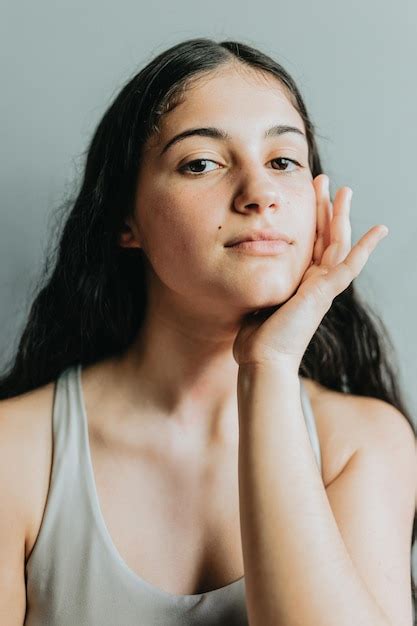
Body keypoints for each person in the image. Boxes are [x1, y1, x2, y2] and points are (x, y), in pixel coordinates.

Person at [0, 37, 415, 626]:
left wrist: (268, 370)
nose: (259, 194)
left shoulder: (364, 443)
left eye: (283, 162)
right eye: (202, 163)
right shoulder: (14, 454)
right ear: (125, 219)